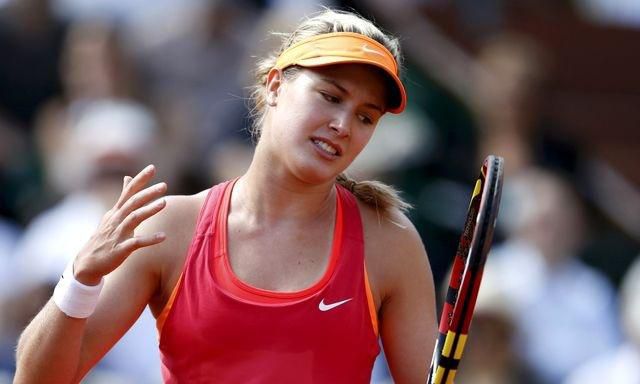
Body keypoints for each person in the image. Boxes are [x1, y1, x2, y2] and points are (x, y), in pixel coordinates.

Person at [14, 9, 437, 383]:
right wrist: (82, 279)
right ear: (274, 86)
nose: (344, 124)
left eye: (366, 116)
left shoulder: (389, 242)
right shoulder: (168, 228)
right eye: (330, 97)